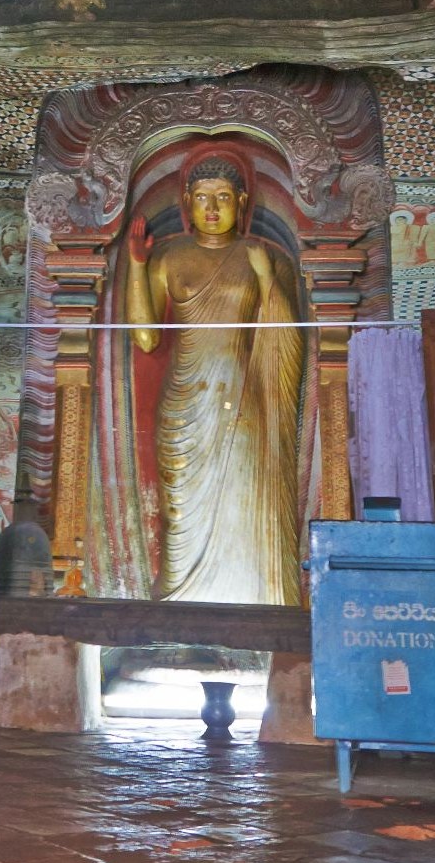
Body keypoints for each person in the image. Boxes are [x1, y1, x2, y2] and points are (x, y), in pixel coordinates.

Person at [126, 149, 305, 604]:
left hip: (242, 401)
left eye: (223, 197)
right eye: (202, 197)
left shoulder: (263, 257)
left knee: (242, 503)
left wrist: (266, 281)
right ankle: (178, 607)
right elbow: (145, 338)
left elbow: (286, 342)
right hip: (184, 401)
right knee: (180, 514)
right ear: (186, 201)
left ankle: (250, 605)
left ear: (242, 203)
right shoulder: (169, 257)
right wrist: (137, 265)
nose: (212, 208)